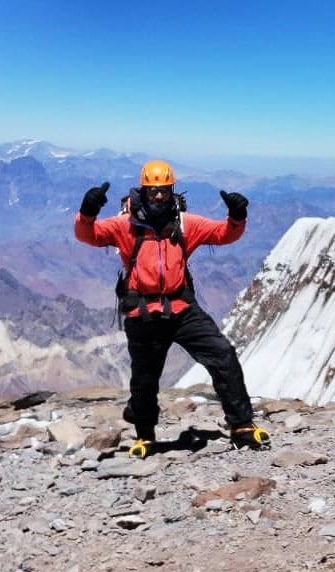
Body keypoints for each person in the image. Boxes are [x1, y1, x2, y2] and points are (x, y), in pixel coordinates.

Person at [74, 160, 270, 458]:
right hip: (143, 312)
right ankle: (144, 435)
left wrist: (237, 216)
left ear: (171, 190)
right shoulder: (125, 224)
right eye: (152, 191)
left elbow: (223, 235)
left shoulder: (184, 223)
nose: (158, 197)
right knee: (145, 378)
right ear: (143, 189)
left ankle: (242, 425)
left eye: (164, 191)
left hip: (182, 308)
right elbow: (88, 236)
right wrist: (87, 212)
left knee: (223, 356)